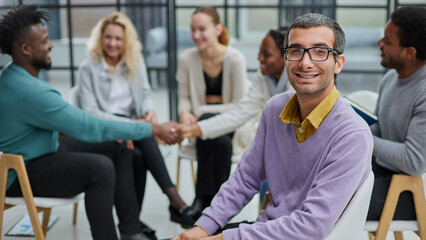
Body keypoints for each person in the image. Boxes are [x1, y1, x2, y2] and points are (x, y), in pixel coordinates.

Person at [172, 12, 373, 240]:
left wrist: (221, 238)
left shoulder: (352, 134)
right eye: (296, 51)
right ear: (286, 59)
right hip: (268, 230)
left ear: (338, 63)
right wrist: (204, 228)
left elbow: (310, 227)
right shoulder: (275, 108)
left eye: (320, 51)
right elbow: (245, 179)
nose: (305, 62)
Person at [0, 5, 181, 240]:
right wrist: (154, 128)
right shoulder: (31, 92)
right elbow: (90, 126)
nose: (51, 45)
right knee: (100, 168)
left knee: (118, 148)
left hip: (43, 149)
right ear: (25, 49)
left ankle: (131, 229)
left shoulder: (11, 73)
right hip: (23, 172)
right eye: (44, 41)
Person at [77, 12, 194, 232]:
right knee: (143, 135)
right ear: (100, 38)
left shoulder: (134, 61)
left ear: (126, 40)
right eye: (108, 37)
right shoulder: (87, 68)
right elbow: (91, 113)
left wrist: (149, 110)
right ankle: (174, 201)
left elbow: (146, 92)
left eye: (118, 38)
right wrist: (134, 125)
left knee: (139, 155)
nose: (113, 43)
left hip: (134, 126)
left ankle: (132, 223)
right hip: (107, 130)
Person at [176, 6, 247, 219]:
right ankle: (219, 206)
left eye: (202, 29)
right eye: (192, 29)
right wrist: (183, 114)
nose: (196, 35)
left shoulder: (235, 59)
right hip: (202, 129)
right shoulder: (186, 59)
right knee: (220, 142)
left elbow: (239, 106)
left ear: (217, 29)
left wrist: (200, 112)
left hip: (232, 123)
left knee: (208, 122)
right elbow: (184, 96)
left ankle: (201, 200)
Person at [179, 27, 292, 149]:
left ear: (285, 58)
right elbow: (240, 112)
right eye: (260, 52)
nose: (260, 58)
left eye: (267, 55)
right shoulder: (263, 76)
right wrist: (195, 129)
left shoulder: (298, 81)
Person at [367, 6, 426, 221]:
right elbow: (380, 130)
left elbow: (414, 161)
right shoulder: (389, 80)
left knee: (330, 200)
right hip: (379, 173)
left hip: (405, 192)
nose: (379, 44)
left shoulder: (423, 92)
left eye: (387, 41)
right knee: (315, 182)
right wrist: (352, 129)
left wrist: (363, 138)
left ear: (409, 52)